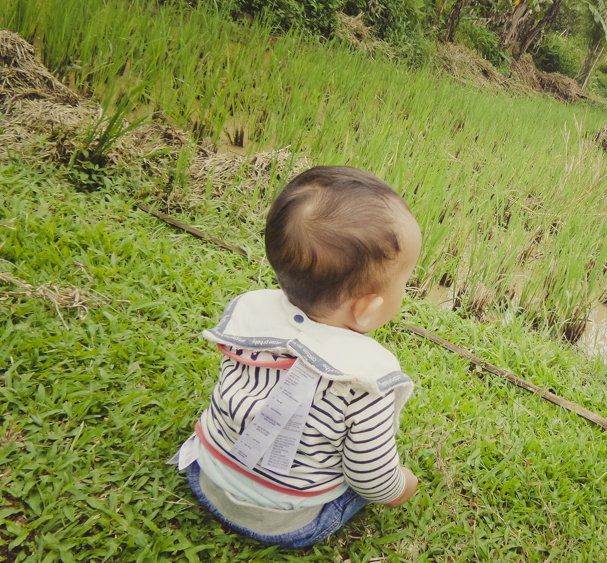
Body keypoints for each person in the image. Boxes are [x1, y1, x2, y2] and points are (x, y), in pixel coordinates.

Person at [173, 166, 422, 548]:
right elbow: (368, 475)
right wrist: (401, 485)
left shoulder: (253, 317)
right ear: (367, 309)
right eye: (404, 281)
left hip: (204, 476)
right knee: (358, 489)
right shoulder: (365, 381)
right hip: (285, 522)